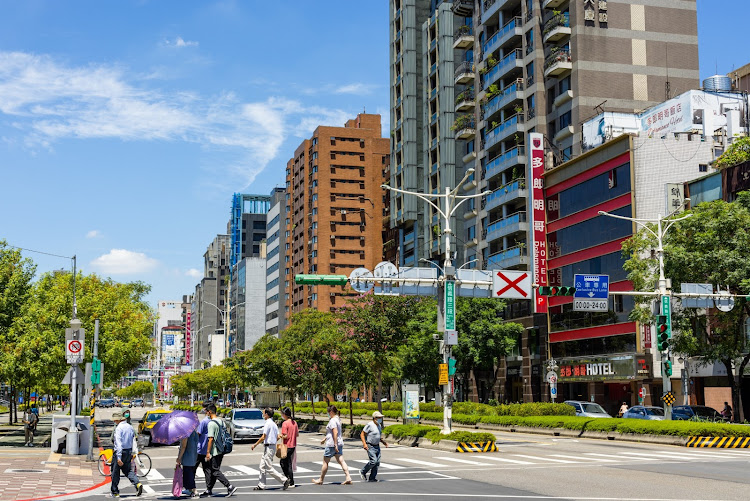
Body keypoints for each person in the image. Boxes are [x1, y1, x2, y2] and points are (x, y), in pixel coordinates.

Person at [199, 405, 236, 498]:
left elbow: (210, 439)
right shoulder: (221, 421)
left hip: (215, 451)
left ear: (210, 412)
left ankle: (229, 486)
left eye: (206, 411)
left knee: (215, 471)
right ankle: (209, 489)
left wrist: (207, 452)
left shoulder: (211, 424)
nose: (206, 413)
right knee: (213, 470)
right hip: (221, 449)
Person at [312, 405, 352, 486]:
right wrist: (325, 438)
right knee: (341, 460)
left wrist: (335, 444)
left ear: (331, 412)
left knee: (325, 462)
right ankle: (348, 477)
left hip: (332, 444)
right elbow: (331, 433)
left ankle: (321, 479)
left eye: (328, 412)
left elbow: (335, 432)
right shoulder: (338, 419)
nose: (328, 414)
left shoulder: (333, 420)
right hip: (339, 443)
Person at [251, 408, 290, 491]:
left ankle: (284, 480)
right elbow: (278, 436)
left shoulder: (268, 424)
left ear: (267, 414)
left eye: (264, 413)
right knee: (262, 466)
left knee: (268, 467)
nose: (263, 415)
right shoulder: (274, 424)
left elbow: (263, 437)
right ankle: (261, 485)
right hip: (270, 447)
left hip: (269, 447)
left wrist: (255, 444)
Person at [110, 411, 143, 498]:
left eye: (115, 420)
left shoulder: (118, 428)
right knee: (127, 470)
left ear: (118, 420)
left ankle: (115, 491)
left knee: (115, 472)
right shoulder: (130, 427)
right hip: (128, 451)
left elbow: (119, 443)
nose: (114, 422)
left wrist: (119, 457)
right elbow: (132, 441)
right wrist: (132, 452)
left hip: (120, 452)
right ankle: (137, 483)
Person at [359, 411, 388, 482]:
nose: (380, 419)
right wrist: (364, 444)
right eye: (379, 418)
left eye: (381, 418)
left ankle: (372, 477)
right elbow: (362, 434)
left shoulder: (379, 426)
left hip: (377, 445)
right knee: (373, 461)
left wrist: (383, 442)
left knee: (377, 462)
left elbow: (377, 436)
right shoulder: (370, 425)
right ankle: (363, 471)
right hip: (370, 445)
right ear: (375, 418)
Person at [279, 407, 299, 488]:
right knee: (288, 462)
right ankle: (290, 480)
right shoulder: (294, 422)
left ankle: (289, 480)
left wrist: (280, 436)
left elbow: (285, 436)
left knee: (284, 463)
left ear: (285, 414)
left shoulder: (285, 423)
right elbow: (297, 434)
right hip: (293, 445)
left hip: (287, 445)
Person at [177, 428, 199, 498]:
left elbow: (184, 446)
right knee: (189, 472)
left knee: (189, 473)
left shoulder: (185, 433)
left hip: (187, 456)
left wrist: (179, 457)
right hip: (193, 455)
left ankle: (194, 489)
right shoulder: (194, 432)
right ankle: (189, 489)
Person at [195, 407, 212, 492]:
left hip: (200, 448)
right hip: (207, 449)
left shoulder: (204, 421)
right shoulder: (212, 421)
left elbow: (198, 433)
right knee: (207, 469)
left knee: (193, 468)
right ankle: (209, 488)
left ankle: (191, 487)